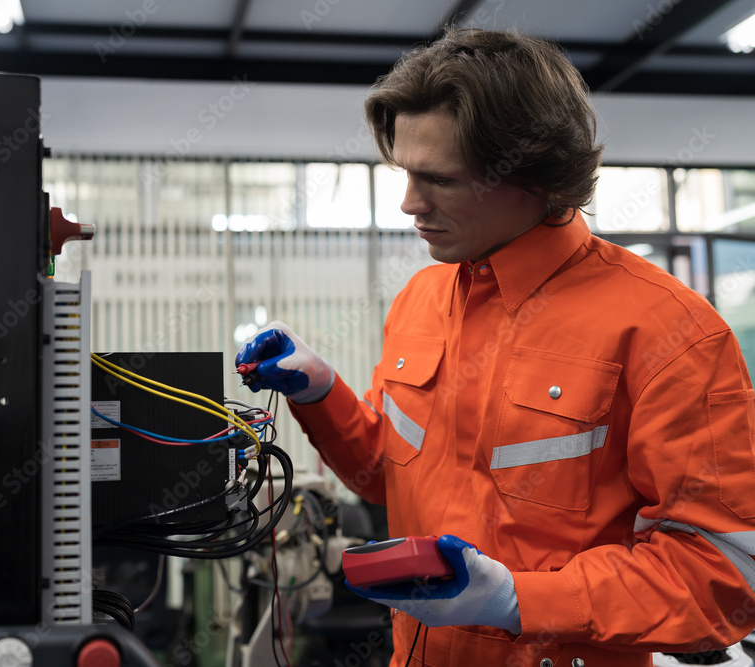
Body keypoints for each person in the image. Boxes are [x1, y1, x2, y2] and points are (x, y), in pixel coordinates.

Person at [236, 28, 755, 666]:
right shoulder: (422, 299)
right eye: (405, 173)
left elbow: (724, 575)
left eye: (440, 179)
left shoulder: (668, 331)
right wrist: (320, 393)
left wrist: (519, 602)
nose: (409, 203)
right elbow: (385, 478)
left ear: (533, 175)